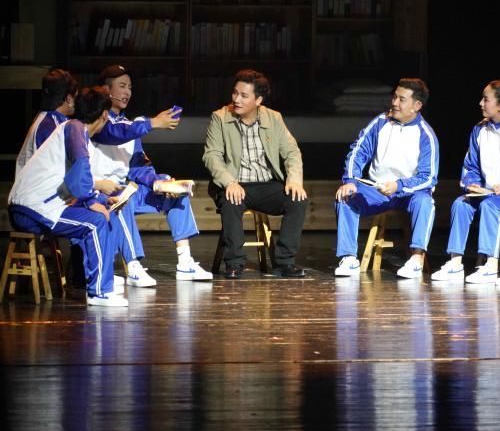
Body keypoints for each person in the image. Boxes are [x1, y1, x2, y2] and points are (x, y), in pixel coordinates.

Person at [91, 64, 212, 286]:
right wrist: (153, 123)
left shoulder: (132, 125)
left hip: (125, 189)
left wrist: (158, 182)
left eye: (130, 87)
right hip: (100, 192)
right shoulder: (97, 121)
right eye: (122, 86)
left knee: (175, 192)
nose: (127, 92)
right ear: (106, 90)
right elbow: (113, 133)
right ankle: (133, 267)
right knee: (122, 199)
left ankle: (185, 262)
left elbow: (137, 166)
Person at [8, 86, 127, 307]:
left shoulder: (75, 130)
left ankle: (101, 278)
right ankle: (100, 292)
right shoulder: (75, 128)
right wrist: (91, 201)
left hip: (36, 206)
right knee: (96, 222)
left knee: (104, 213)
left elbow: (74, 180)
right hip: (32, 209)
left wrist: (101, 200)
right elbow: (79, 173)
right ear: (104, 115)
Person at [203, 69, 308, 279]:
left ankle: (285, 262)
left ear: (258, 100)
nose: (236, 99)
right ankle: (234, 263)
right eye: (235, 93)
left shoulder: (273, 118)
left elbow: (291, 152)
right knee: (230, 201)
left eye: (244, 95)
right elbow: (211, 156)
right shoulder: (220, 117)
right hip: (235, 183)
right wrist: (229, 182)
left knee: (297, 199)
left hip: (266, 184)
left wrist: (294, 180)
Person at [430, 80, 500, 283]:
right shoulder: (479, 129)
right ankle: (455, 264)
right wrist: (472, 183)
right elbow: (470, 166)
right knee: (460, 204)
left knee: (490, 206)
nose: (480, 103)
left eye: (486, 99)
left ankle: (490, 266)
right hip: (488, 193)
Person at [334, 78, 439, 279]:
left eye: (401, 99)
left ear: (417, 105)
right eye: (395, 97)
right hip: (376, 190)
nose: (395, 103)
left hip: (408, 194)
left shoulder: (426, 135)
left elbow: (429, 178)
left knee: (425, 202)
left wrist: (399, 185)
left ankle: (416, 259)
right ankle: (348, 258)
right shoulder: (381, 122)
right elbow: (358, 150)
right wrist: (351, 180)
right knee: (345, 196)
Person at [15, 69, 79, 176]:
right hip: (38, 185)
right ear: (68, 99)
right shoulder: (53, 126)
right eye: (75, 97)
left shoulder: (45, 118)